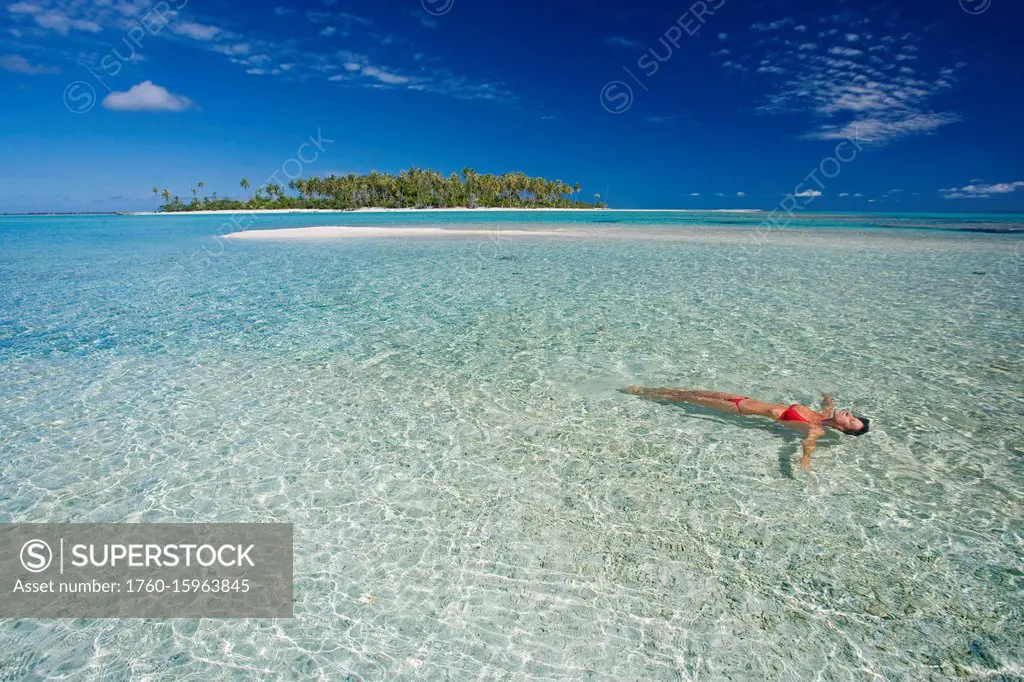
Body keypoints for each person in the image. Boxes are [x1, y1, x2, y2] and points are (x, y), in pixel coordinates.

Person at [625, 387, 869, 470]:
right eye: (853, 415)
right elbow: (829, 403)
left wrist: (804, 460)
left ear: (845, 430)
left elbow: (808, 444)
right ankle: (645, 390)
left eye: (851, 421)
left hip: (741, 410)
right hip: (743, 398)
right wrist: (826, 392)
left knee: (687, 399)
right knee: (691, 391)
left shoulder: (817, 429)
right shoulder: (824, 414)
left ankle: (641, 394)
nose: (850, 415)